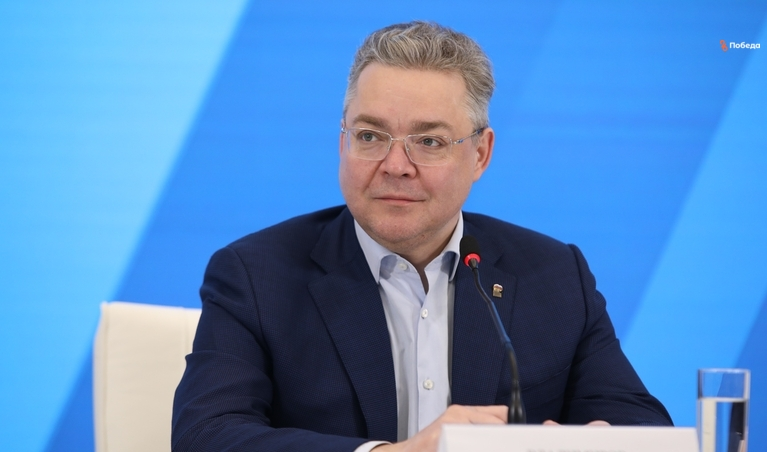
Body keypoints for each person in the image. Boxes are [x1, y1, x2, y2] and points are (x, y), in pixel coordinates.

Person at [172, 21, 672, 452]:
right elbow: (207, 435)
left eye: (429, 141)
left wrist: (594, 441)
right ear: (343, 141)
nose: (396, 165)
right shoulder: (256, 276)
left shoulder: (555, 274)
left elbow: (641, 423)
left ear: (480, 155)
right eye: (370, 136)